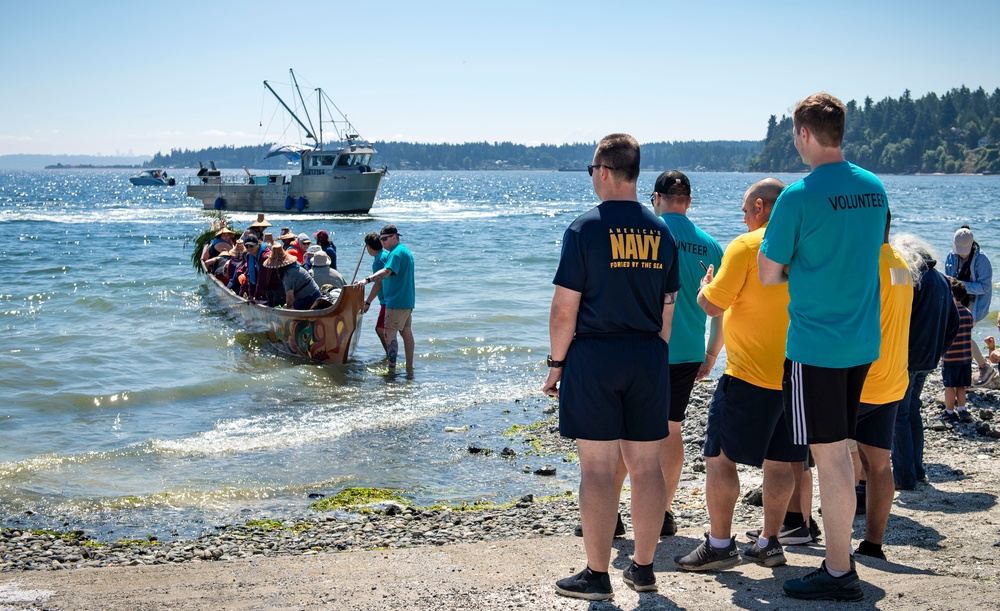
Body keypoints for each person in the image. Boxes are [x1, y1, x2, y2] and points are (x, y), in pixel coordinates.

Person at [758, 92, 887, 602]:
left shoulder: (797, 196)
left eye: (795, 135)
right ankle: (840, 561)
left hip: (816, 345)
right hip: (861, 340)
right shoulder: (874, 189)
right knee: (840, 451)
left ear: (805, 134)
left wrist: (801, 266)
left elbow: (769, 273)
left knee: (829, 458)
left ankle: (838, 571)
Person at [542, 134, 679, 600]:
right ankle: (643, 568)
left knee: (598, 469)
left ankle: (598, 575)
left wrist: (557, 363)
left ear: (603, 171)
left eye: (590, 172)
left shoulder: (584, 229)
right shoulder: (662, 231)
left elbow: (564, 310)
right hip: (647, 354)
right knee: (646, 466)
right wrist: (652, 355)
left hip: (596, 355)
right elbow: (668, 308)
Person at [674, 177, 804, 573]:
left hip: (749, 375)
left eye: (746, 210)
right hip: (797, 372)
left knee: (718, 457)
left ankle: (719, 544)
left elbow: (712, 306)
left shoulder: (748, 246)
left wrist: (704, 286)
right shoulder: (806, 246)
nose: (744, 218)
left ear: (762, 207)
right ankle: (769, 541)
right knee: (781, 462)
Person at [650, 170, 724, 537]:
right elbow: (721, 306)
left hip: (647, 348)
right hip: (690, 349)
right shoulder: (710, 245)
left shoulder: (650, 232)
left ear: (656, 198)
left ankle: (612, 513)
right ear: (689, 201)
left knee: (621, 431)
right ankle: (662, 511)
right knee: (671, 428)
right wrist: (712, 354)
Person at [850, 213, 913, 562]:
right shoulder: (900, 262)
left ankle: (815, 534)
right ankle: (873, 545)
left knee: (832, 462)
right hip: (891, 377)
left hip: (862, 379)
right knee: (879, 465)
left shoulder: (865, 262)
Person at [890, 233, 960, 490]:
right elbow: (955, 322)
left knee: (900, 415)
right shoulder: (941, 279)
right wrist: (939, 350)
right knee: (912, 413)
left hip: (907, 358)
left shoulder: (911, 279)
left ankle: (906, 477)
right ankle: (918, 472)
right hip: (927, 359)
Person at [356, 225, 415, 373]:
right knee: (406, 333)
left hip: (395, 301)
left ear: (394, 237)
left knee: (389, 334)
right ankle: (409, 368)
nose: (382, 242)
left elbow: (386, 272)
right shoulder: (404, 251)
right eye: (381, 239)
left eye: (385, 239)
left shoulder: (395, 254)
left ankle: (392, 371)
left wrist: (366, 280)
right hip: (407, 301)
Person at [945, 226, 994, 386]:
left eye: (963, 250)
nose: (960, 252)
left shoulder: (982, 260)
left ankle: (984, 367)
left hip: (976, 304)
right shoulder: (951, 256)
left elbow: (984, 287)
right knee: (960, 335)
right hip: (956, 302)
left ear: (972, 244)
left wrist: (961, 284)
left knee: (963, 335)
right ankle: (979, 367)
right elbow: (947, 281)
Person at [941, 278, 974, 423]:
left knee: (949, 386)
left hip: (951, 357)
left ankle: (949, 411)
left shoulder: (949, 314)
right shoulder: (968, 313)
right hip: (965, 357)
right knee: (961, 385)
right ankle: (962, 409)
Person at [265, 244, 321, 310]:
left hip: (310, 298)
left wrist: (288, 311)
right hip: (315, 294)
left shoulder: (288, 275)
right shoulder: (294, 266)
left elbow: (290, 299)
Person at [361, 232, 389, 355]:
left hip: (387, 299)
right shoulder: (386, 254)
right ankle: (391, 355)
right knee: (390, 330)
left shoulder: (378, 260)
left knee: (380, 329)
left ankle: (390, 355)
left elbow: (378, 283)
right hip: (393, 297)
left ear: (369, 247)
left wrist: (368, 302)